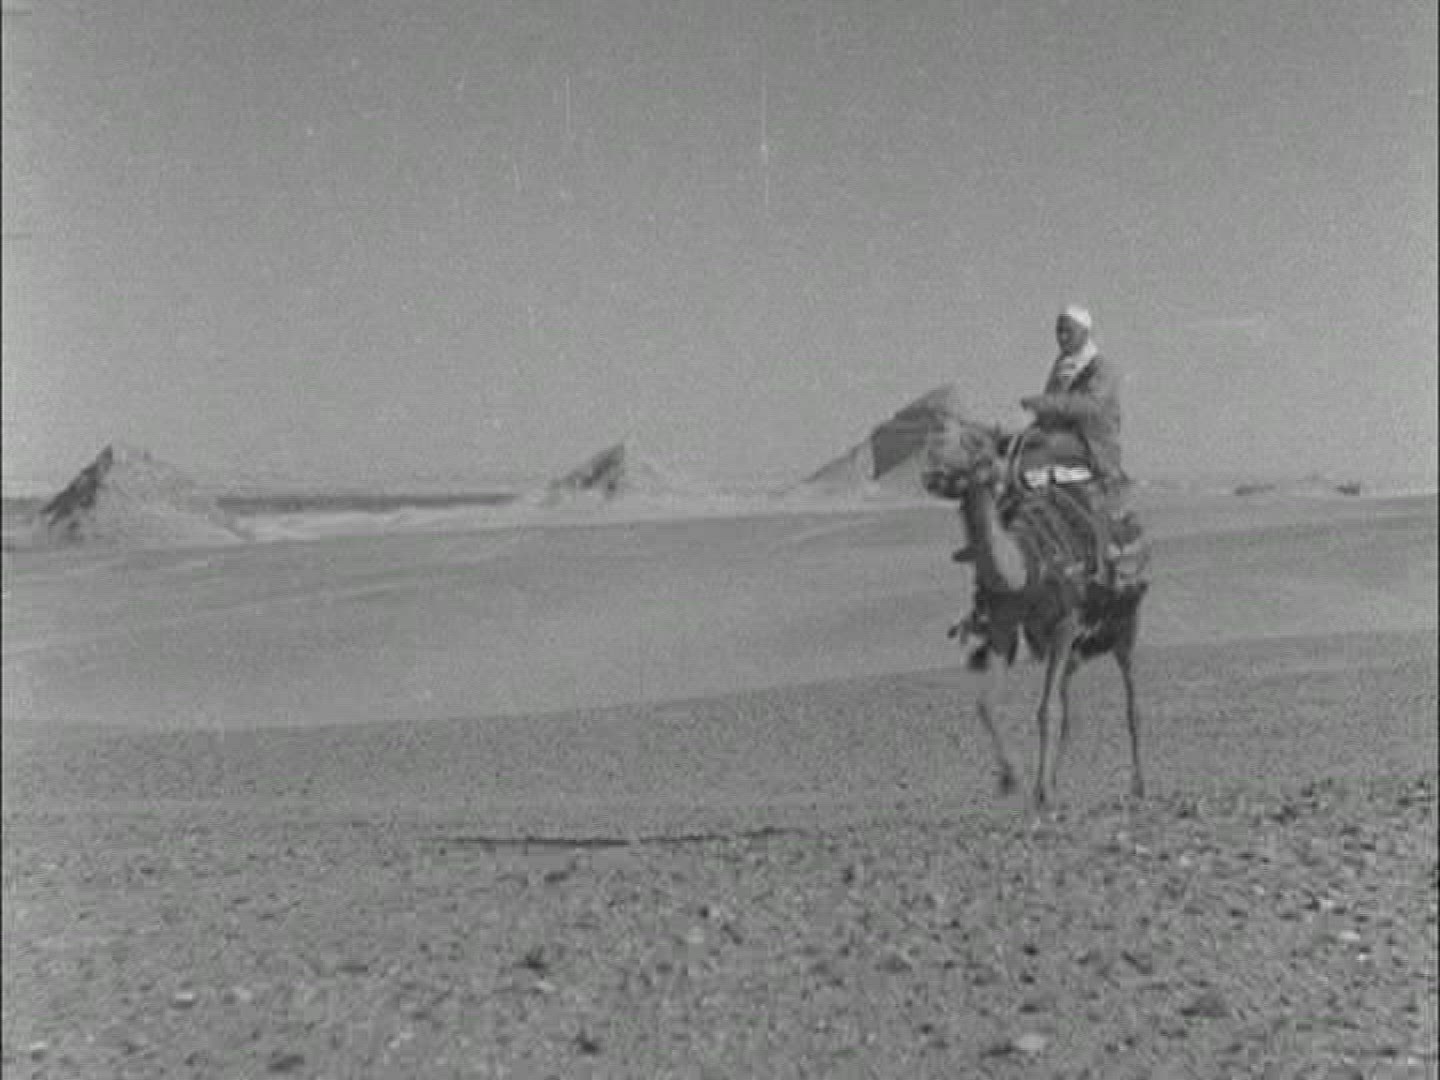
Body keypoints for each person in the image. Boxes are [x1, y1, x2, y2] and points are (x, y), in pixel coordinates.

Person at [954, 305, 1142, 584]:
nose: (1062, 336)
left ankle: (1095, 559)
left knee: (1025, 465)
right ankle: (989, 538)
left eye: (1068, 331)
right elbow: (1051, 413)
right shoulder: (1063, 366)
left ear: (1085, 332)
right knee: (997, 456)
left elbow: (1089, 405)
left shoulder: (1102, 369)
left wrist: (1043, 403)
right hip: (1057, 439)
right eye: (1059, 331)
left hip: (1088, 443)